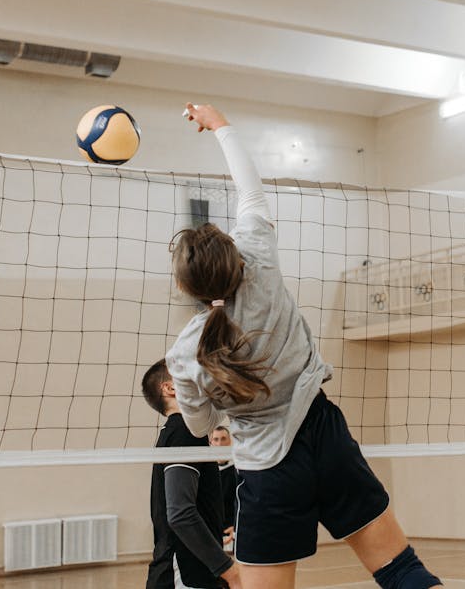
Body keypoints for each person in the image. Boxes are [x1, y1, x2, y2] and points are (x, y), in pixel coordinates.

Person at [166, 103, 441, 589]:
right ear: (234, 258)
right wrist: (220, 126)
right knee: (402, 571)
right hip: (326, 438)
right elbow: (251, 191)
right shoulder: (261, 265)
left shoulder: (185, 354)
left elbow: (199, 424)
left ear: (186, 287)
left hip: (269, 472)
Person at [141, 360, 238, 589]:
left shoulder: (182, 431)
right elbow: (180, 514)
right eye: (188, 375)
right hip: (184, 574)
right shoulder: (184, 431)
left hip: (188, 570)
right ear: (170, 388)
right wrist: (227, 568)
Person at [209, 426, 238, 547]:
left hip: (232, 533)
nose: (220, 443)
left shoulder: (238, 470)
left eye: (223, 439)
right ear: (210, 443)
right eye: (216, 439)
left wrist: (236, 527)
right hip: (210, 533)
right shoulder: (205, 472)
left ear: (229, 441)